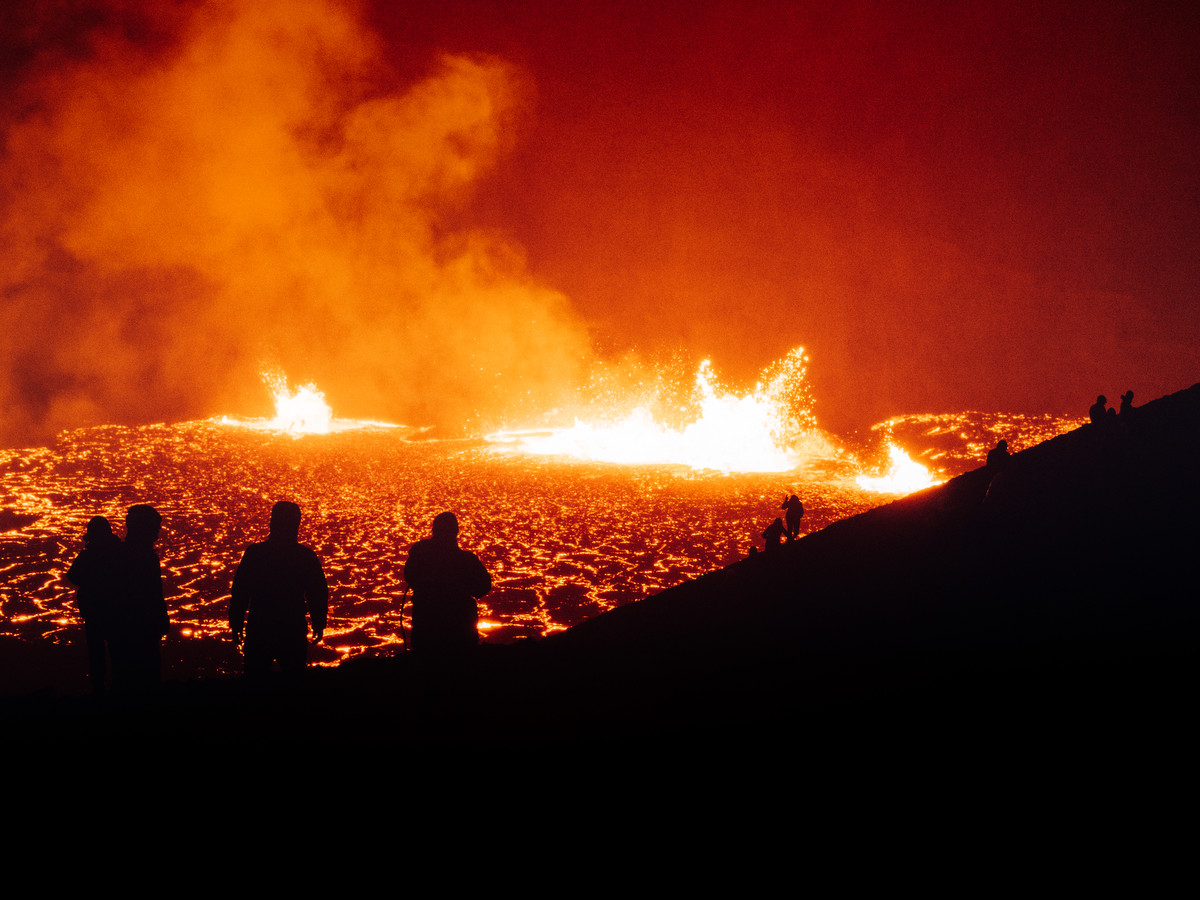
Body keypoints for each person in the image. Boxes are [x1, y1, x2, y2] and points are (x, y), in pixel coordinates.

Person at [230, 501, 328, 679]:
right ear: (296, 525)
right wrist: (319, 622)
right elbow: (317, 592)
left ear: (272, 522)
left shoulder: (255, 553)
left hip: (260, 627)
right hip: (291, 629)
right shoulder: (305, 557)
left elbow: (240, 590)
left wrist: (236, 623)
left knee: (255, 680)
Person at [404, 512, 491, 655]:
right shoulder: (467, 561)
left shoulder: (420, 553)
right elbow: (483, 587)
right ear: (456, 531)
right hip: (460, 635)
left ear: (434, 530)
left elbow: (410, 576)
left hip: (426, 634)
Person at [108, 504, 169, 693]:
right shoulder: (144, 558)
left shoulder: (118, 554)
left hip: (122, 628)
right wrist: (160, 619)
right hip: (139, 628)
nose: (157, 534)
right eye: (155, 528)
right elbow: (152, 593)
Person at [66, 516, 121, 693]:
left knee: (97, 654)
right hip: (116, 611)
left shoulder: (90, 555)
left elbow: (73, 575)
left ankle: (100, 690)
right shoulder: (119, 552)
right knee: (117, 651)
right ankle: (119, 689)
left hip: (95, 612)